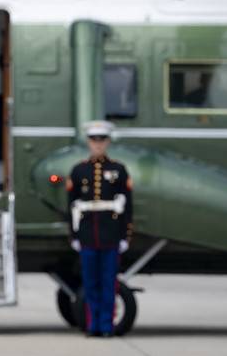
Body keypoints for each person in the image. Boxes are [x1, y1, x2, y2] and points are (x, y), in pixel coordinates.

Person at [66, 120, 133, 337]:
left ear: (108, 142)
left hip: (111, 235)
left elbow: (127, 207)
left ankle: (106, 325)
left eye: (102, 140)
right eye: (94, 140)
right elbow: (72, 205)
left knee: (108, 285)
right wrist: (74, 235)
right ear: (88, 142)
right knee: (90, 283)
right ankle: (92, 324)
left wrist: (125, 236)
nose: (97, 144)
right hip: (87, 235)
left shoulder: (118, 170)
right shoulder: (78, 170)